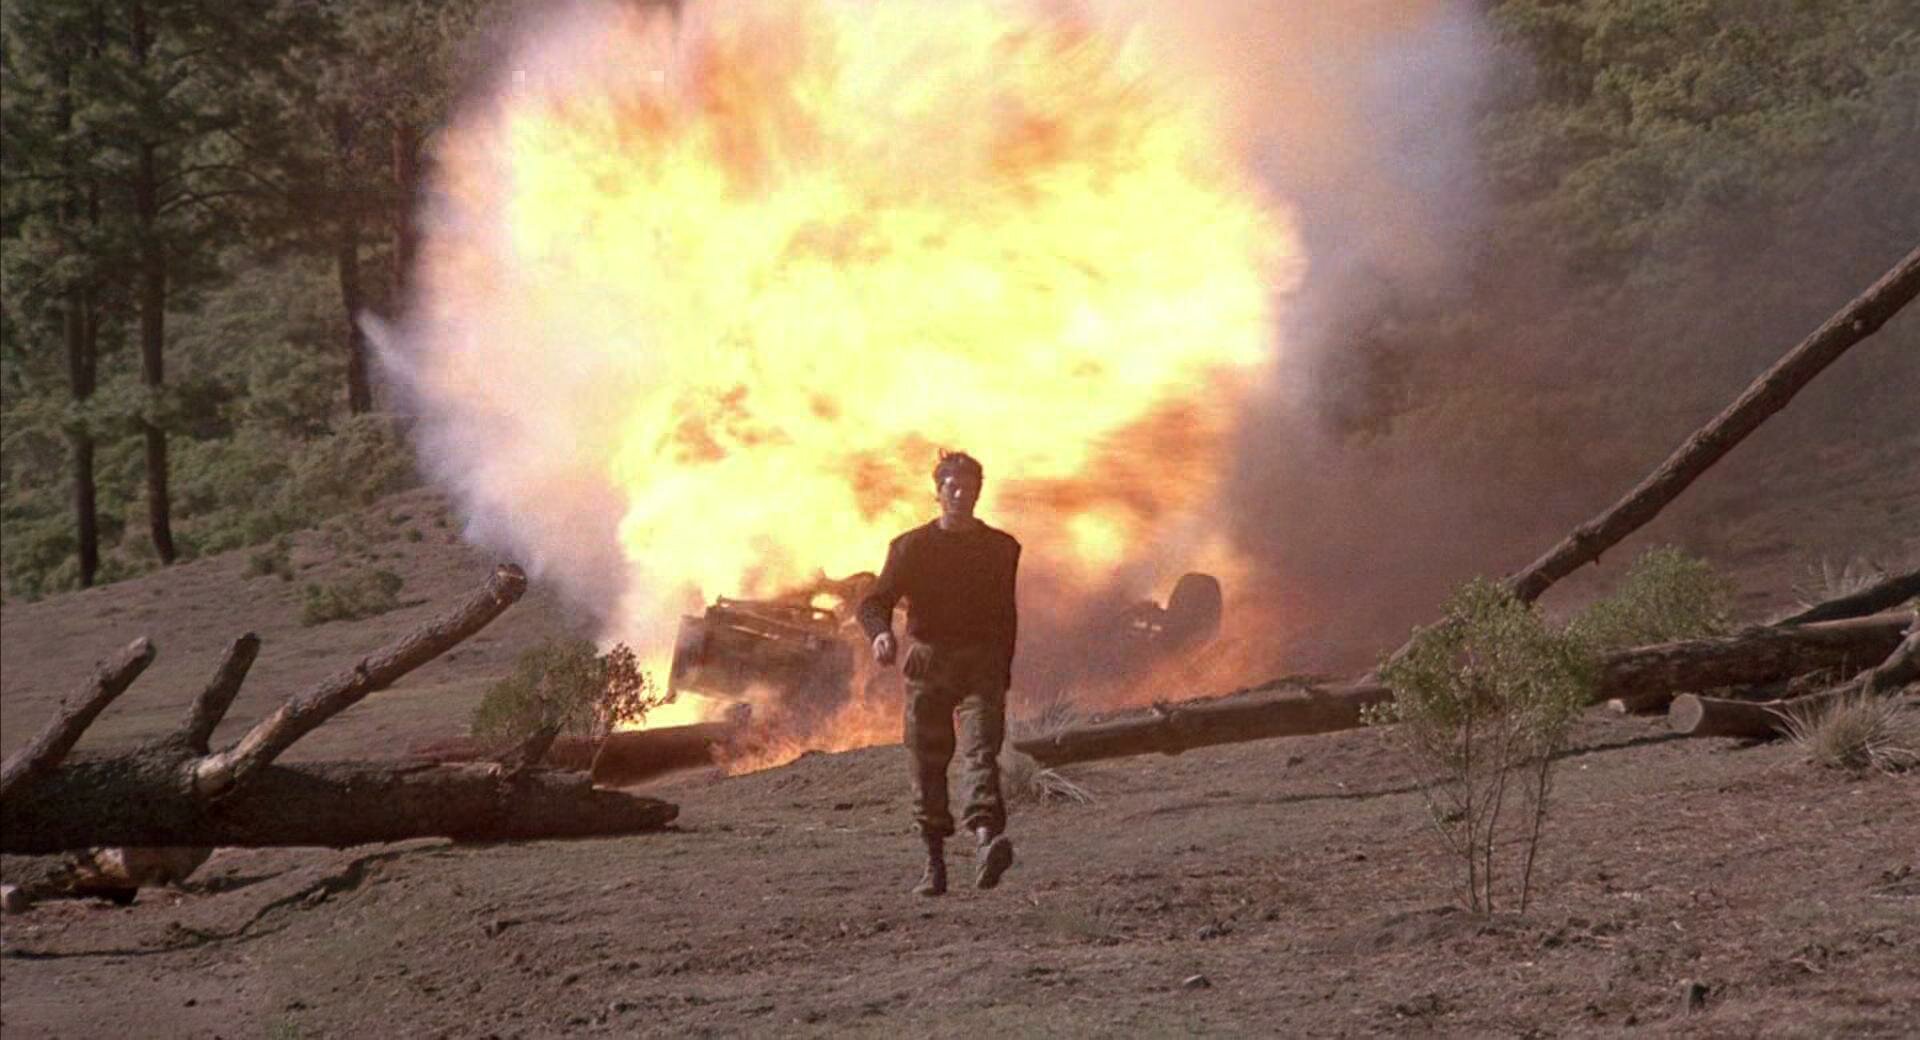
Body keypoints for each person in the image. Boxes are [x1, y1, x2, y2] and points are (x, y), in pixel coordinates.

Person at [857, 450, 1020, 896]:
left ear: (979, 492)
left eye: (970, 487)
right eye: (953, 486)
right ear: (938, 492)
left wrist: (1002, 671)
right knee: (926, 762)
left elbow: (1006, 615)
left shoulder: (1001, 548)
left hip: (981, 664)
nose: (961, 494)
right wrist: (880, 634)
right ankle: (933, 865)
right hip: (928, 664)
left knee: (981, 752)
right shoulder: (912, 548)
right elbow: (874, 602)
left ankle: (986, 843)